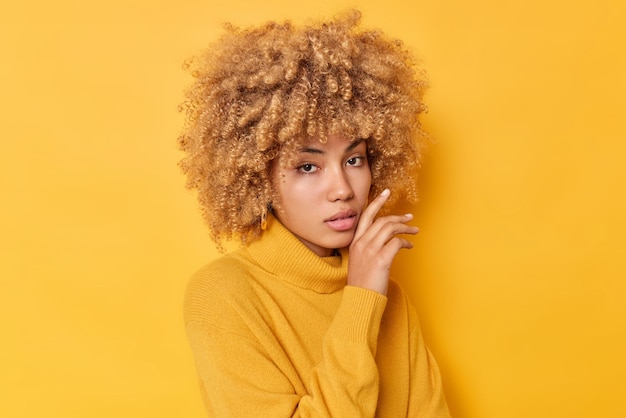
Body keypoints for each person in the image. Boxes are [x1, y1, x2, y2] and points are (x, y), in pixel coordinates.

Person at [178, 9, 450, 417]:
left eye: (354, 160)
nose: (342, 189)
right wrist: (360, 301)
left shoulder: (387, 296)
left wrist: (368, 293)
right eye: (308, 166)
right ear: (257, 176)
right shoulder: (222, 295)